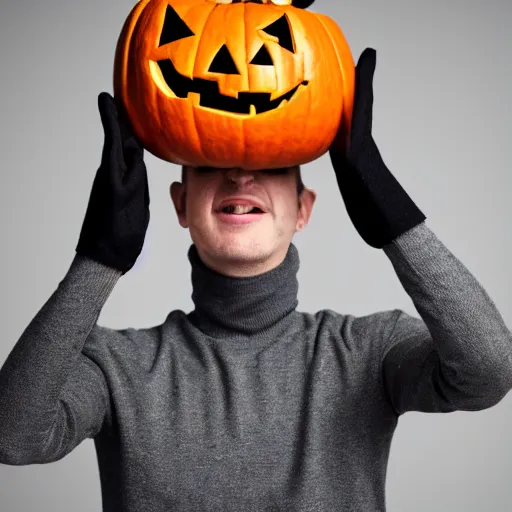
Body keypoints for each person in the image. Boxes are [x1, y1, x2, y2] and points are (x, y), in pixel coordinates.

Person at [0, 48, 511, 512]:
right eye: (212, 157)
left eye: (269, 161)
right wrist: (97, 261)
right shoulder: (116, 366)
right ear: (180, 203)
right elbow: (14, 437)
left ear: (303, 208)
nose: (240, 175)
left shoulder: (368, 352)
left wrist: (397, 222)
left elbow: (489, 372)